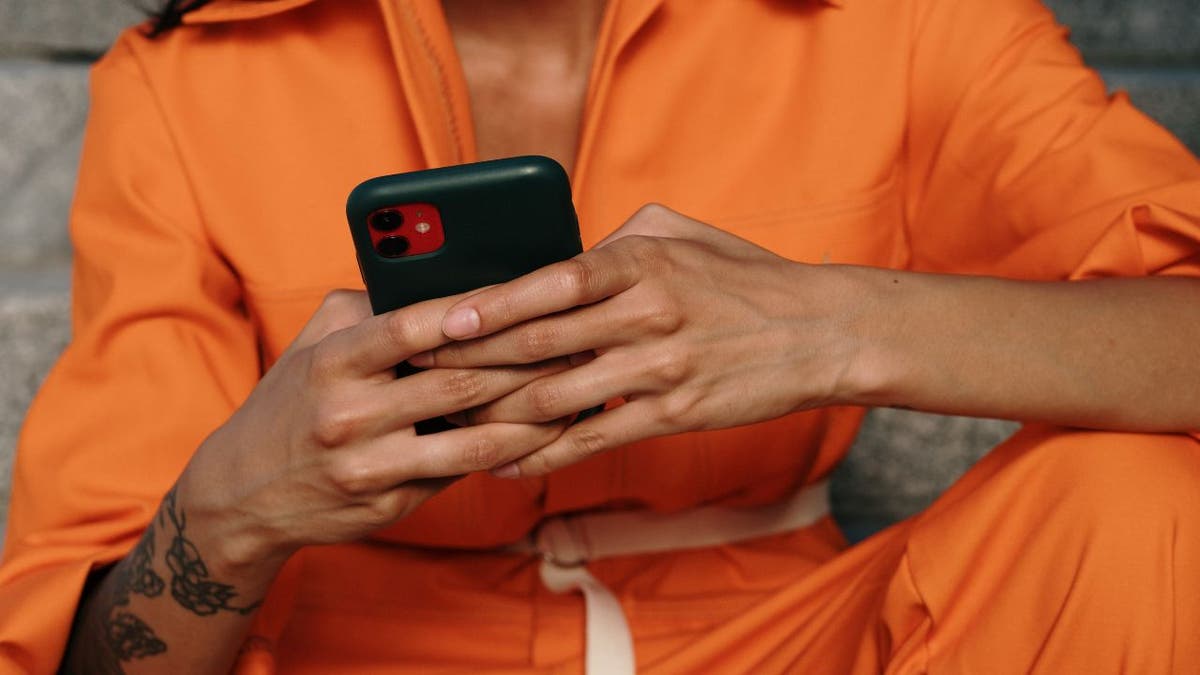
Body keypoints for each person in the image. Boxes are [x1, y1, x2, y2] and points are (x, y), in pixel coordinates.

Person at [2, 0, 1198, 672]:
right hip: (359, 652)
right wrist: (230, 515)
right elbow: (95, 663)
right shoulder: (186, 83)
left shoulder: (896, 23)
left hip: (792, 644)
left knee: (1132, 497)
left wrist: (840, 325)